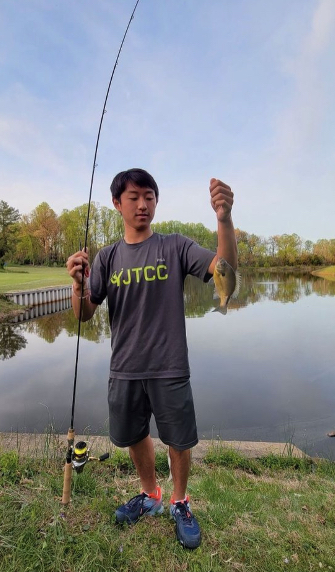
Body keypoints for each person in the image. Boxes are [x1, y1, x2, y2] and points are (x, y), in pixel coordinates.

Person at [66, 168, 237, 549]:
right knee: (135, 434)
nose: (143, 204)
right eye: (134, 197)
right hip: (124, 367)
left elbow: (224, 270)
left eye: (150, 196)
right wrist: (76, 284)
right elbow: (82, 314)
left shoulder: (176, 246)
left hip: (170, 365)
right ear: (117, 204)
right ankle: (150, 495)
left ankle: (180, 501)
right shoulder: (107, 257)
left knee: (178, 439)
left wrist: (223, 220)